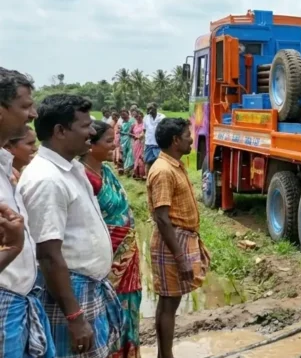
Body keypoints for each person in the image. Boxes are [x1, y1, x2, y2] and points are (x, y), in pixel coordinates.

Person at [19, 94, 121, 357]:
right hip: (69, 293)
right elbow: (48, 255)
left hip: (85, 286)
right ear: (60, 131)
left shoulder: (71, 169)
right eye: (85, 126)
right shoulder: (47, 179)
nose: (91, 132)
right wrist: (75, 316)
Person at [0, 67, 55, 356]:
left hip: (20, 304)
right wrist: (13, 248)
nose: (33, 114)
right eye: (24, 106)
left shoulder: (6, 168)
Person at [147, 118, 210, 358]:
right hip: (171, 242)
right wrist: (180, 257)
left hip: (179, 239)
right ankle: (166, 355)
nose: (192, 140)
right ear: (175, 141)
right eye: (187, 136)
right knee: (168, 303)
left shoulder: (174, 165)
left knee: (169, 302)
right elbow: (163, 218)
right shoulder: (163, 171)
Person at [81, 120, 142, 358]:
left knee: (129, 313)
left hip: (127, 263)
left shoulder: (106, 171)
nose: (114, 145)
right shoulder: (85, 178)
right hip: (108, 266)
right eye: (108, 141)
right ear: (90, 146)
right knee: (110, 318)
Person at [142, 103, 165, 175]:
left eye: (151, 108)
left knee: (160, 162)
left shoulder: (162, 117)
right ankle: (148, 180)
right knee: (148, 162)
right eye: (148, 109)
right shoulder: (146, 118)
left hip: (158, 144)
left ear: (156, 108)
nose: (149, 110)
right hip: (149, 143)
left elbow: (165, 130)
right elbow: (144, 130)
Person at [130, 110, 145, 179]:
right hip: (136, 143)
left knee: (141, 158)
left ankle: (142, 174)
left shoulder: (144, 124)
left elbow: (143, 133)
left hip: (142, 143)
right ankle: (136, 173)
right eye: (136, 117)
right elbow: (131, 133)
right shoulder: (134, 125)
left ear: (142, 116)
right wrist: (133, 136)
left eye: (139, 117)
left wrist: (139, 136)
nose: (138, 118)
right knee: (136, 158)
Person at [120, 109, 134, 176]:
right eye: (122, 115)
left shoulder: (131, 121)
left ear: (128, 114)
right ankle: (125, 168)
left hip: (129, 139)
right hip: (123, 139)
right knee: (124, 153)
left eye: (124, 114)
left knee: (130, 153)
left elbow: (131, 132)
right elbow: (121, 131)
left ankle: (128, 168)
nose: (123, 116)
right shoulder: (122, 122)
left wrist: (122, 132)